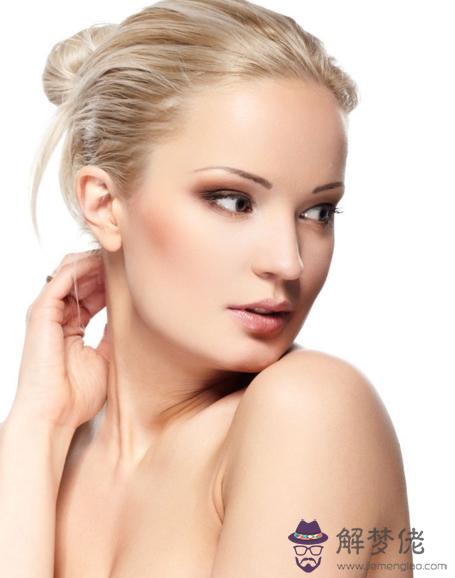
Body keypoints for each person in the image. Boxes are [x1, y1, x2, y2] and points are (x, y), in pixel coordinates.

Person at [0, 1, 413, 576]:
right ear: (105, 203)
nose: (288, 262)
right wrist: (36, 427)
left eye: (318, 212)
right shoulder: (49, 452)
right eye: (234, 201)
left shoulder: (308, 410)